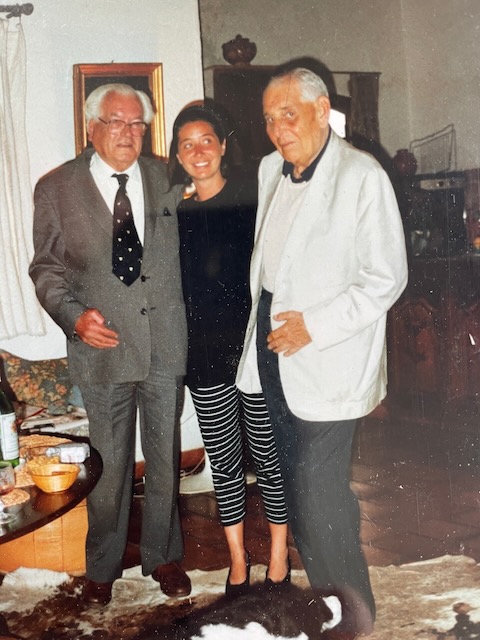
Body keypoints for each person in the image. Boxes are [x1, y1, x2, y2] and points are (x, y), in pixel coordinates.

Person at [236, 67, 408, 637]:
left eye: (288, 114)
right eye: (269, 118)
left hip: (329, 351)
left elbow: (386, 278)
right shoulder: (269, 170)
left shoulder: (362, 175)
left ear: (320, 110)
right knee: (294, 482)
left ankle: (352, 614)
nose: (277, 129)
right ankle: (330, 600)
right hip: (272, 344)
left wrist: (313, 326)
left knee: (318, 486)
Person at [29, 83, 191, 606]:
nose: (129, 132)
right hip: (101, 346)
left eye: (138, 123)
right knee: (109, 465)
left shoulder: (168, 177)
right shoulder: (56, 188)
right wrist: (74, 319)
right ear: (91, 127)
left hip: (164, 342)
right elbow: (47, 269)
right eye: (117, 122)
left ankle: (163, 556)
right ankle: (102, 565)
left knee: (164, 459)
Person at [169, 105, 289, 596]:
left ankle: (278, 556)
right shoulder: (176, 214)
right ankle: (238, 561)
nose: (198, 151)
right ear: (178, 155)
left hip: (254, 350)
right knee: (223, 462)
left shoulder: (253, 199)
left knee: (269, 455)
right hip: (203, 355)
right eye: (187, 144)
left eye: (206, 140)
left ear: (222, 145)